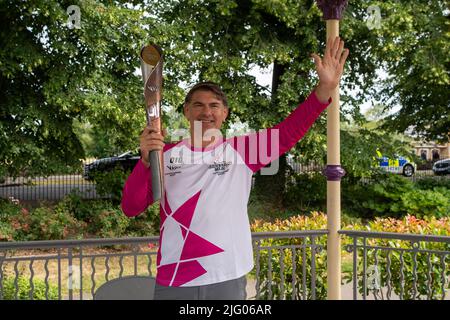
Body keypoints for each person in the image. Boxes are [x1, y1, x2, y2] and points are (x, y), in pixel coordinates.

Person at [121, 36, 349, 300]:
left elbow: (287, 132)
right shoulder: (165, 154)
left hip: (226, 275)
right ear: (186, 111)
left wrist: (323, 89)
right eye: (198, 105)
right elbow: (131, 207)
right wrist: (145, 162)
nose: (206, 112)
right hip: (175, 276)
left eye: (214, 106)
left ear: (225, 113)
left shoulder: (241, 151)